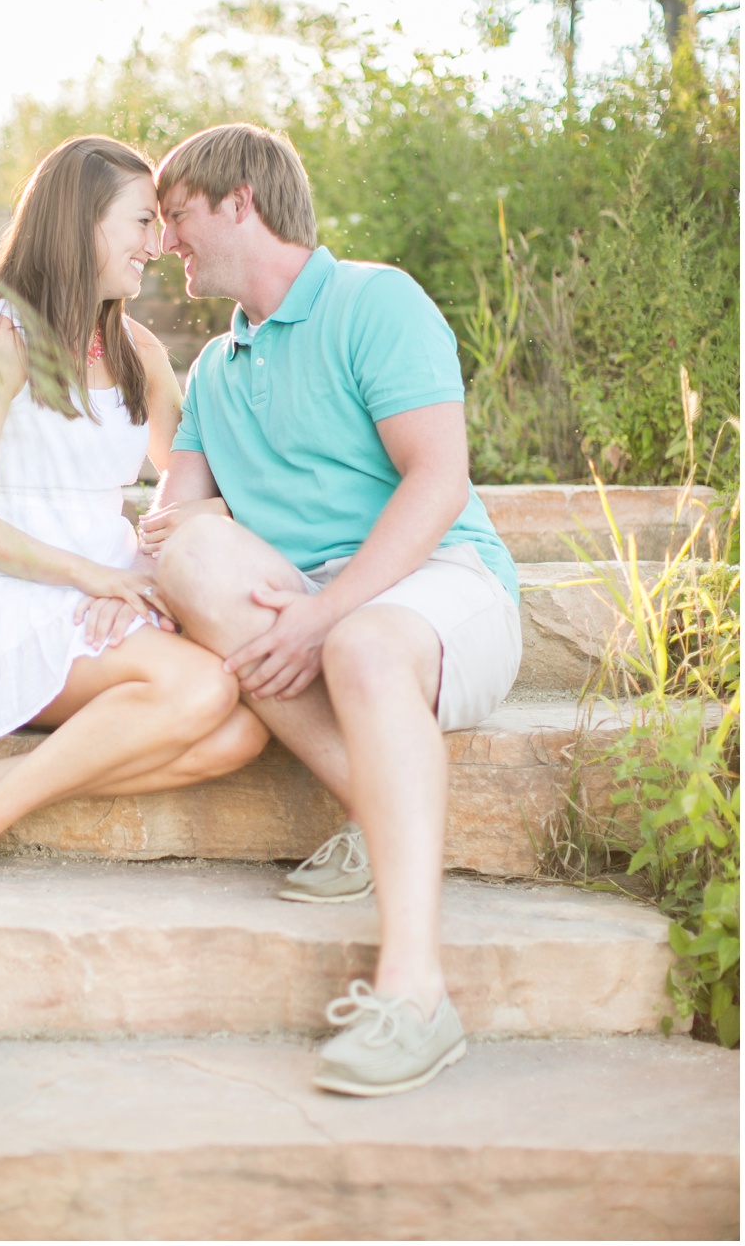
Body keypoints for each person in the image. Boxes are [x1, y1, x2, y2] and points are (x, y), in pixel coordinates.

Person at [139, 122, 522, 1097]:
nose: (164, 236)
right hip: (307, 605)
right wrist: (175, 527)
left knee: (356, 645)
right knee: (191, 555)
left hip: (442, 590)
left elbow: (436, 482)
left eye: (175, 212)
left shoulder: (371, 299)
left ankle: (414, 995)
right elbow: (170, 519)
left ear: (239, 201)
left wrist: (326, 612)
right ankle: (377, 796)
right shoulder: (213, 372)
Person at [0, 135, 270, 893]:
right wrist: (92, 576)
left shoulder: (139, 351)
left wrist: (180, 533)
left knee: (247, 729)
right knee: (205, 691)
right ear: (82, 221)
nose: (159, 244)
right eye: (142, 222)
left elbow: (194, 476)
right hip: (13, 596)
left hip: (106, 591)